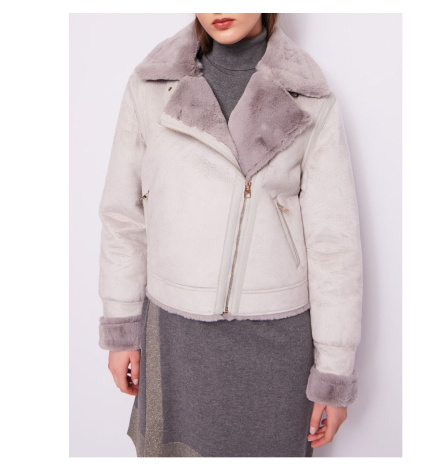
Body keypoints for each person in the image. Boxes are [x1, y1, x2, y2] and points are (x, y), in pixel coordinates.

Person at [97, 13, 363, 457]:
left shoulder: (311, 97)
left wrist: (334, 372)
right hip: (174, 331)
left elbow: (333, 244)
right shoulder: (151, 86)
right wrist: (121, 327)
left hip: (276, 338)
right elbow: (124, 218)